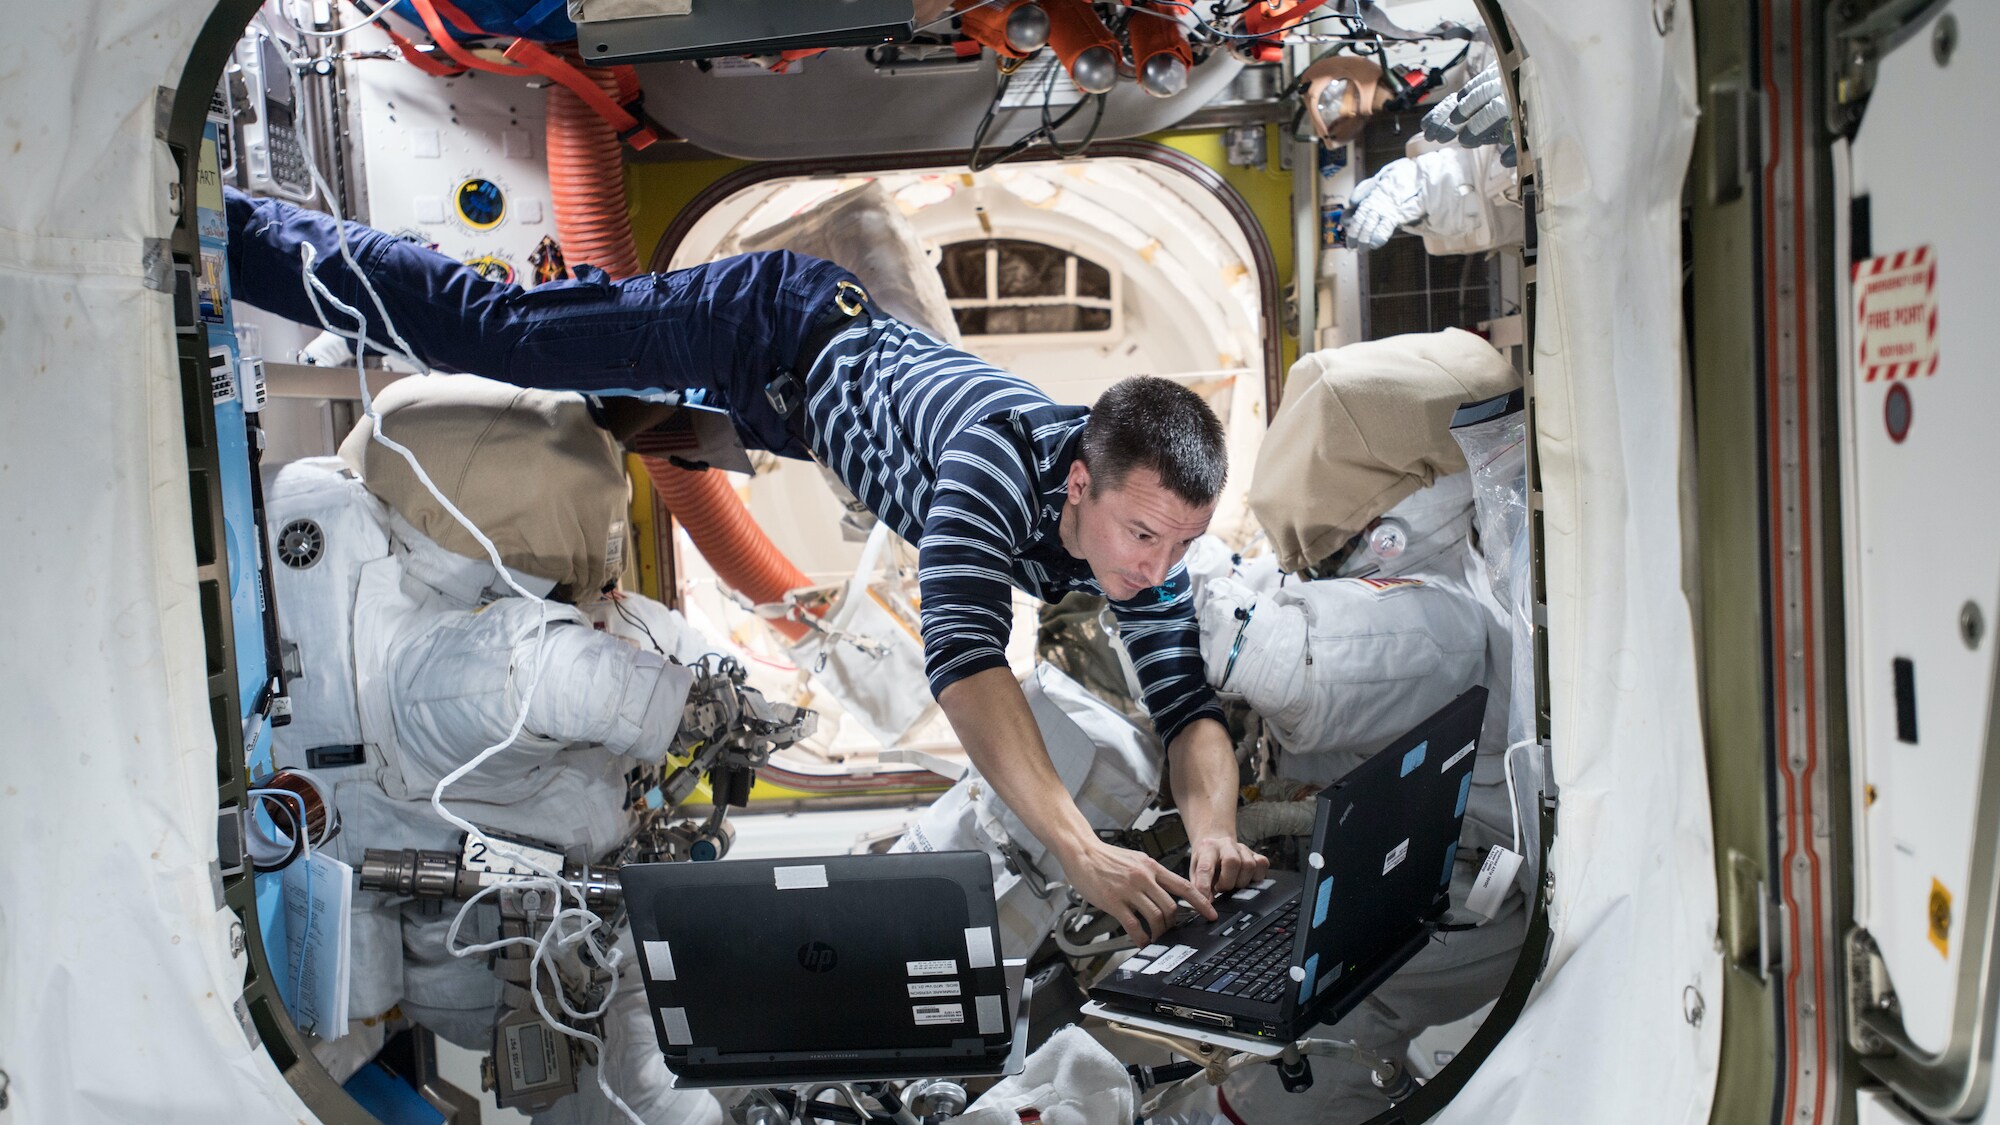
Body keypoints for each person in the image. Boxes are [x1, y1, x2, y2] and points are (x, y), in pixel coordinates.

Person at [226, 187, 1267, 942]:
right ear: (1080, 483)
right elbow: (964, 666)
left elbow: (1190, 711)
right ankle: (235, 231)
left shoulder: (1149, 545)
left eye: (1179, 542)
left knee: (611, 399)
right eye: (1141, 537)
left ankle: (592, 331)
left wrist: (1212, 831)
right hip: (771, 328)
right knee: (491, 335)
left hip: (793, 409)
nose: (1157, 565)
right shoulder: (990, 462)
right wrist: (1080, 854)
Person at [266, 374, 731, 1124]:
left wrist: (716, 692)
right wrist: (687, 707)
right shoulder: (455, 666)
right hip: (389, 844)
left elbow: (616, 635)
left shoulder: (409, 557)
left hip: (422, 881)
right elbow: (545, 675)